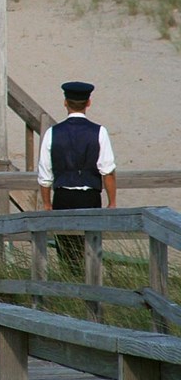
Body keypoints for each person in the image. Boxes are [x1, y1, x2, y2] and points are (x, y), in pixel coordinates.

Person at [37, 81, 117, 273]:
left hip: (63, 196)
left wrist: (47, 203)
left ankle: (70, 286)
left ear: (65, 102)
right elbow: (107, 171)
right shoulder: (99, 131)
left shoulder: (52, 133)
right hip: (89, 196)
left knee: (66, 251)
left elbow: (45, 174)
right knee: (90, 250)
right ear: (88, 102)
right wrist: (112, 201)